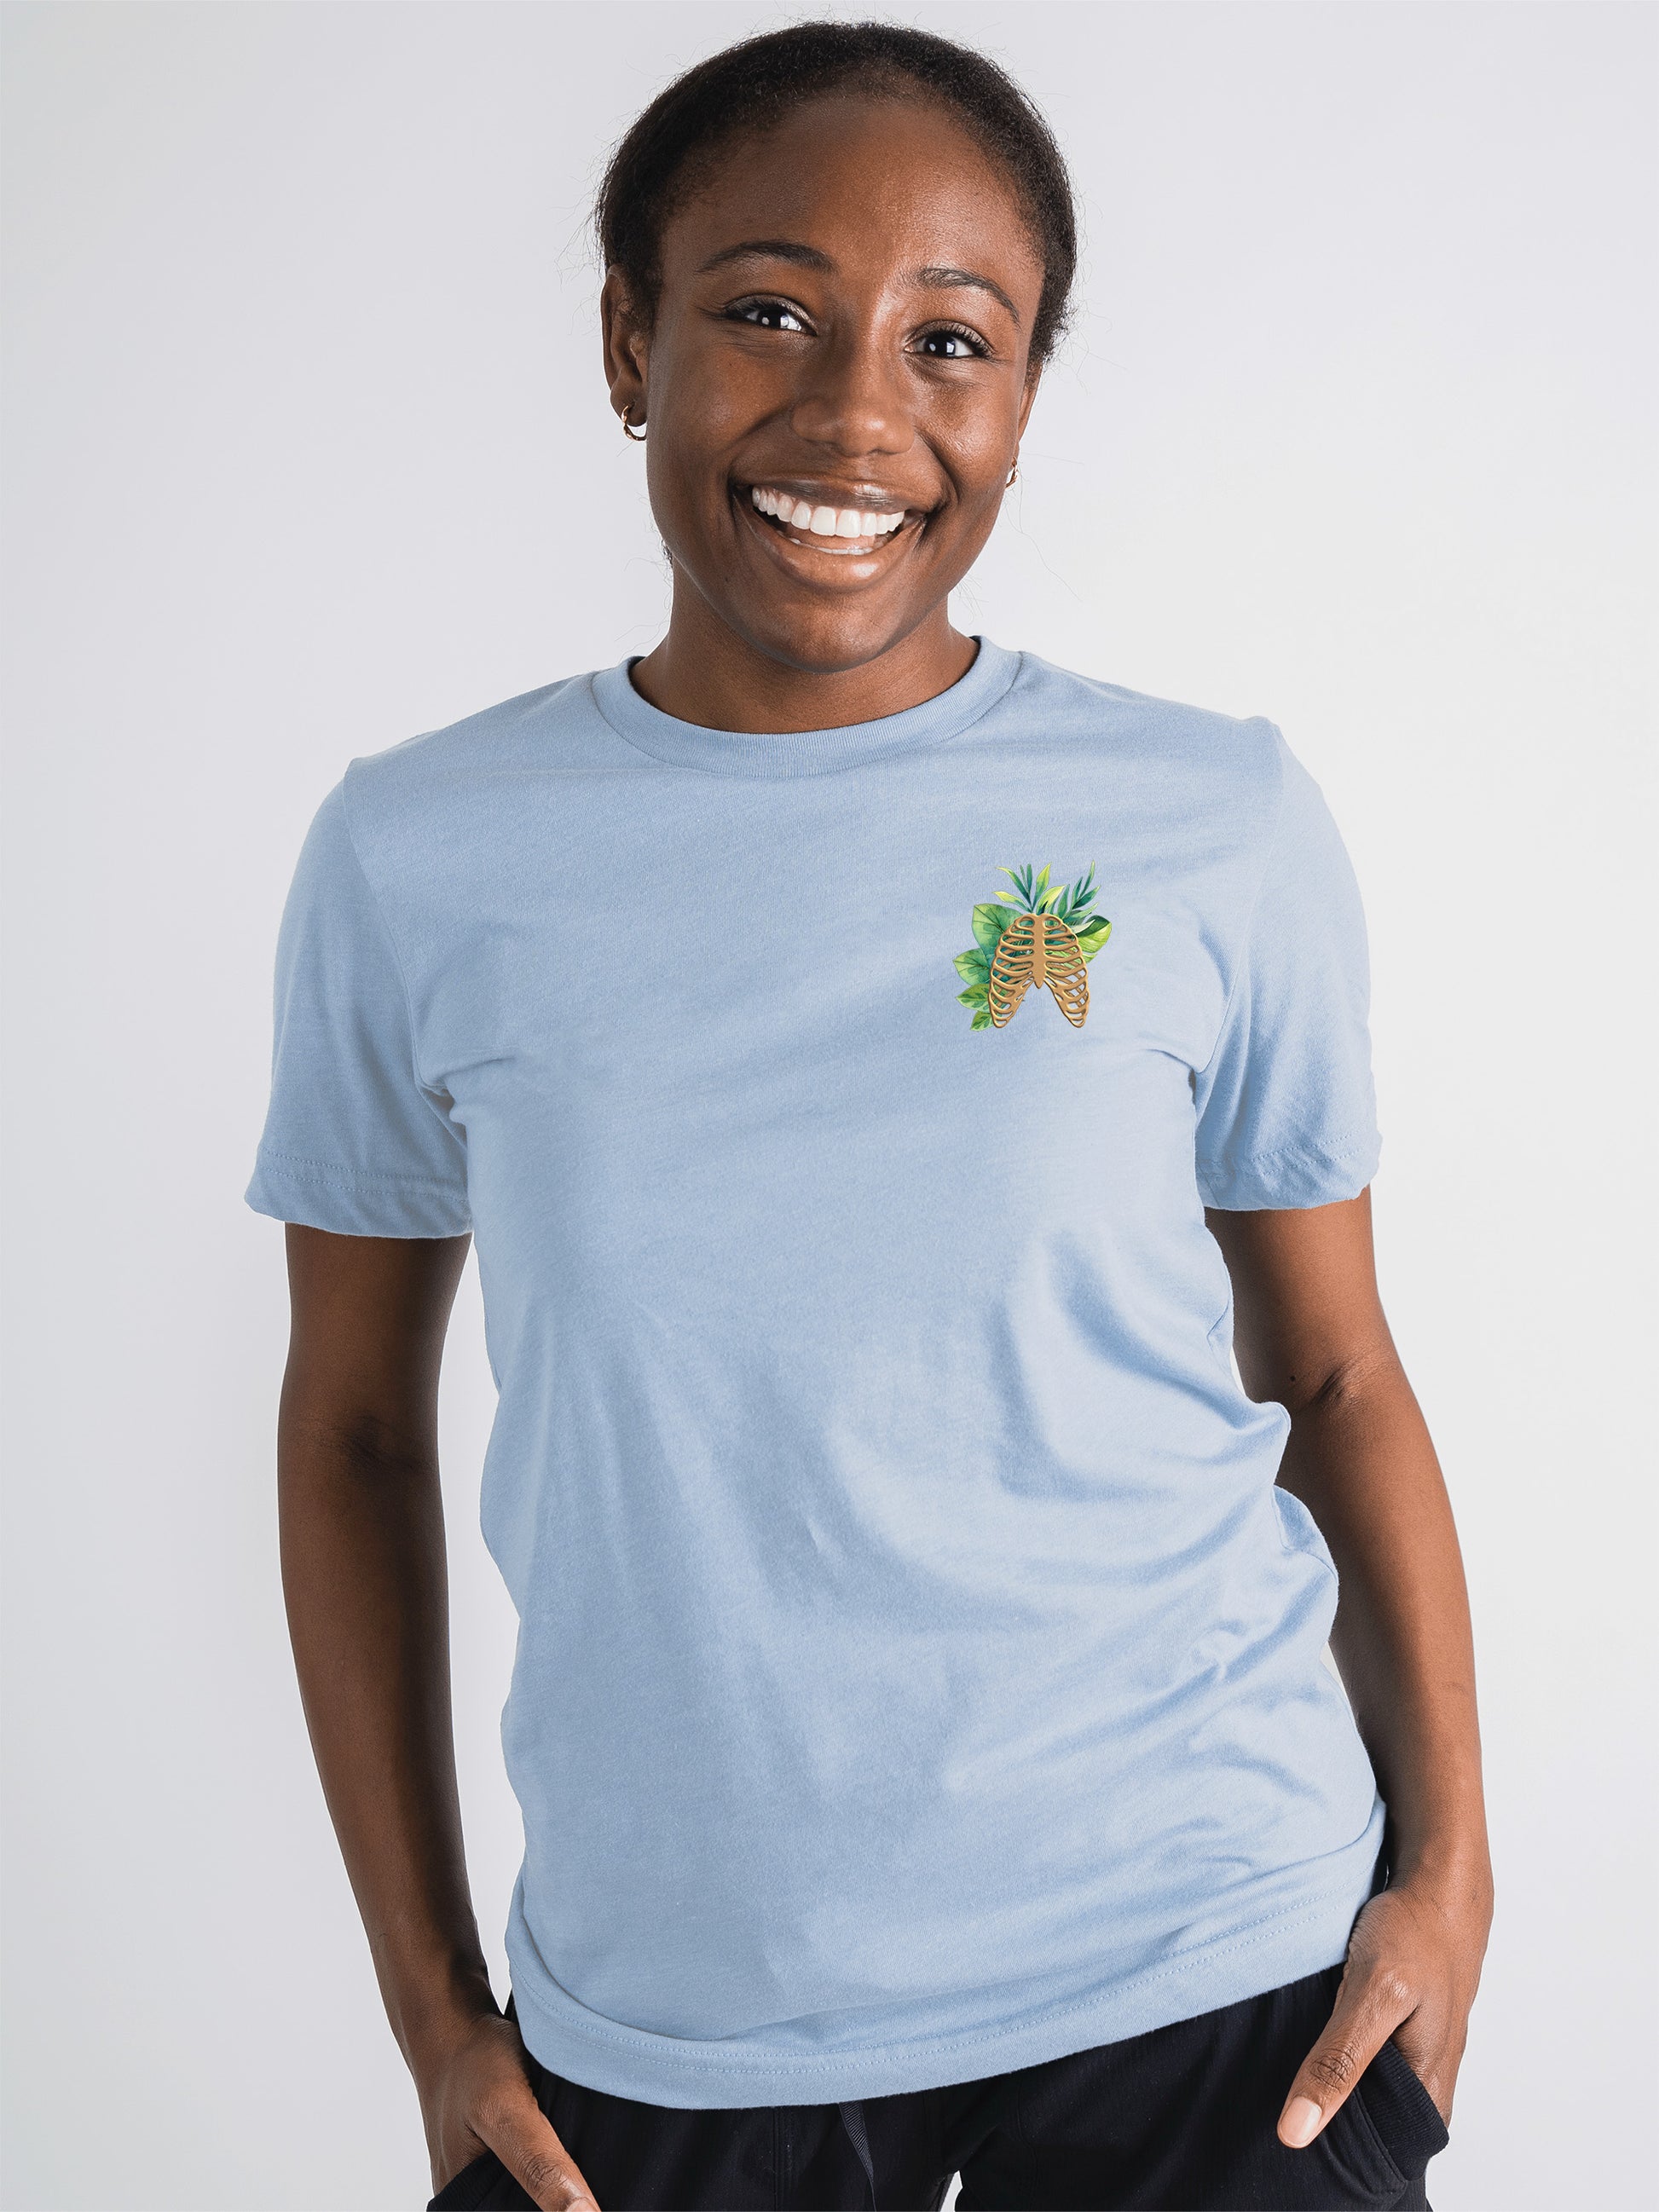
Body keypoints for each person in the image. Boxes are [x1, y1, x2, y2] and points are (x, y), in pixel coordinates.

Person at [245, 22, 1493, 2211]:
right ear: (626, 342)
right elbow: (352, 1430)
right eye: (766, 312)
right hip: (667, 2013)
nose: (855, 414)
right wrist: (432, 2008)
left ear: (1021, 400)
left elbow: (1336, 1369)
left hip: (1212, 1976)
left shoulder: (1208, 817)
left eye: (951, 339)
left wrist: (1453, 1872)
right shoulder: (418, 853)